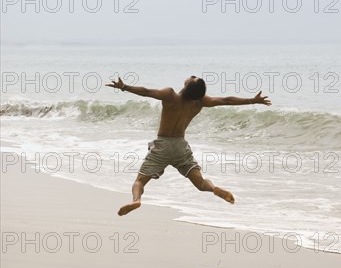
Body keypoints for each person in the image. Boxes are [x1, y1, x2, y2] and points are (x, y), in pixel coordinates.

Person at [106, 76, 271, 216]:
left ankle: (136, 201)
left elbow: (147, 92)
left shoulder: (170, 95)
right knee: (201, 183)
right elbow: (226, 100)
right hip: (181, 146)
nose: (191, 76)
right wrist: (253, 100)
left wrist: (124, 87)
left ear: (186, 86)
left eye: (193, 78)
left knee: (139, 182)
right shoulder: (199, 102)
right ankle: (214, 189)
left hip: (162, 145)